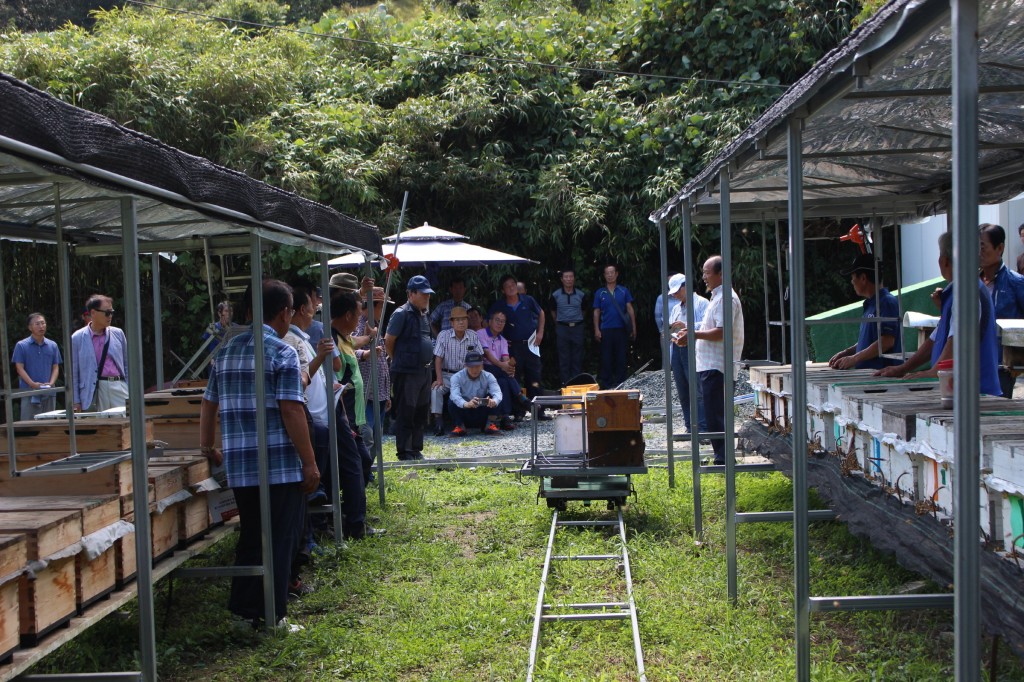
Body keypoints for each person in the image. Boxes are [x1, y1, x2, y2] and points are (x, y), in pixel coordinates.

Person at [199, 279, 319, 630]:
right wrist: (310, 463)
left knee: (252, 536)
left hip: (240, 466)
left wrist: (206, 447)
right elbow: (292, 411)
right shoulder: (281, 352)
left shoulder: (225, 351)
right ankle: (272, 616)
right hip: (279, 467)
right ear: (284, 313)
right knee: (280, 541)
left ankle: (243, 612)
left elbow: (208, 404)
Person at [877, 232, 1002, 396]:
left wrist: (933, 372)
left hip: (976, 394)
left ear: (944, 261)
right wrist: (904, 368)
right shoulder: (958, 290)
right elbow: (936, 337)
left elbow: (957, 340)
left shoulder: (968, 291)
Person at [678, 256, 744, 465]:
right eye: (704, 272)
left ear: (721, 274)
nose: (704, 277)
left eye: (707, 272)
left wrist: (693, 335)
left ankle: (724, 458)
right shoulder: (717, 297)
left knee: (716, 415)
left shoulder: (726, 298)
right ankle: (721, 456)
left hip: (719, 366)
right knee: (713, 413)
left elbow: (721, 332)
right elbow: (710, 327)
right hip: (710, 365)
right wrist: (693, 332)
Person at [331, 291, 383, 539]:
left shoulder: (343, 338)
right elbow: (337, 380)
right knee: (358, 464)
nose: (362, 315)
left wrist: (370, 341)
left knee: (361, 464)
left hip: (354, 417)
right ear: (349, 314)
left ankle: (352, 513)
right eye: (360, 310)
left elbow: (355, 344)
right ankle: (354, 522)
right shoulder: (331, 340)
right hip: (344, 417)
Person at [385, 275, 435, 461]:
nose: (427, 298)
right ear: (411, 293)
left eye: (428, 295)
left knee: (421, 411)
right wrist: (397, 360)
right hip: (406, 371)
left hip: (424, 370)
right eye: (423, 294)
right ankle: (404, 451)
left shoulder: (424, 314)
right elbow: (389, 341)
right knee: (406, 410)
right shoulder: (401, 313)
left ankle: (416, 448)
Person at [488, 274, 549, 419]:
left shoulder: (527, 300)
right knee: (514, 377)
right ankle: (518, 412)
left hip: (531, 344)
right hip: (512, 347)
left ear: (516, 286)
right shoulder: (500, 305)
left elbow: (541, 313)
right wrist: (499, 339)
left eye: (512, 285)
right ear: (503, 290)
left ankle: (539, 411)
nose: (510, 288)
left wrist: (540, 332)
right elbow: (489, 322)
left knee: (534, 377)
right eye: (507, 286)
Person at [828, 254, 903, 370]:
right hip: (870, 376)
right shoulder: (871, 304)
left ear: (863, 278)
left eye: (853, 278)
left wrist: (854, 358)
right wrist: (848, 352)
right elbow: (870, 343)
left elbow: (887, 341)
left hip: (882, 378)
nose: (852, 282)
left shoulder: (887, 302)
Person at [979, 223, 1024, 397]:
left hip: (1001, 367)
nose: (978, 252)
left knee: (993, 415)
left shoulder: (1016, 283)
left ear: (1000, 248)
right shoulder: (968, 283)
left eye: (982, 247)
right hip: (969, 362)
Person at [666, 274, 709, 434]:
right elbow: (671, 326)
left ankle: (703, 428)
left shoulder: (702, 303)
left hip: (694, 349)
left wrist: (687, 325)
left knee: (697, 390)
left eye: (678, 290)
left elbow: (708, 326)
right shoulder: (676, 308)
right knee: (683, 390)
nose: (675, 295)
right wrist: (670, 332)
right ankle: (690, 426)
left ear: (686, 286)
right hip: (677, 349)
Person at [71, 294, 129, 412]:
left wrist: (130, 389)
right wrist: (76, 401)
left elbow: (127, 365)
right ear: (93, 313)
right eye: (107, 313)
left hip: (118, 385)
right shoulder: (77, 338)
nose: (110, 316)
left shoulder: (118, 333)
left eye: (112, 312)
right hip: (94, 390)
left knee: (127, 425)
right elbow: (74, 372)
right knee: (100, 427)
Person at [430, 306, 482, 436]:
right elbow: (438, 359)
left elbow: (480, 358)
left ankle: (478, 422)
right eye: (457, 320)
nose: (461, 322)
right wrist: (439, 378)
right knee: (436, 390)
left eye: (463, 319)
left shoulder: (473, 335)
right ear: (451, 322)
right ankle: (438, 422)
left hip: (466, 374)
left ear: (467, 321)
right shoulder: (443, 335)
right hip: (447, 374)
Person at [356, 287, 391, 453]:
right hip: (366, 392)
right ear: (372, 306)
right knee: (366, 434)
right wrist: (365, 353)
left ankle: (369, 470)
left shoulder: (376, 324)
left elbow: (382, 360)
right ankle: (364, 471)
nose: (383, 310)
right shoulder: (358, 324)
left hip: (380, 391)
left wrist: (386, 392)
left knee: (377, 434)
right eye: (381, 306)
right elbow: (348, 350)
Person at [593, 263, 637, 389]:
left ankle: (621, 383)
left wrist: (634, 327)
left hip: (621, 329)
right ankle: (606, 384)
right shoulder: (600, 292)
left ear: (617, 274)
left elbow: (630, 309)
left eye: (612, 272)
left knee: (621, 356)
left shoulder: (623, 290)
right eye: (607, 273)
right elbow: (596, 311)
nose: (610, 275)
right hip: (606, 329)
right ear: (604, 275)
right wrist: (596, 329)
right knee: (606, 357)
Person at [480, 310, 525, 430]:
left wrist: (509, 367)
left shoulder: (503, 340)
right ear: (490, 321)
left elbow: (505, 358)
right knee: (502, 373)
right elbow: (487, 355)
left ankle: (505, 417)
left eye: (503, 321)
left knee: (503, 382)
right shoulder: (481, 333)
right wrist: (504, 366)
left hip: (498, 371)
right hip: (483, 369)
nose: (500, 323)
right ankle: (520, 395)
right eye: (497, 320)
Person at [11, 313, 62, 419]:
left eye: (43, 323)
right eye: (37, 324)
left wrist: (51, 383)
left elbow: (55, 367)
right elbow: (19, 368)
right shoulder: (21, 345)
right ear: (30, 327)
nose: (41, 326)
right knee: (29, 425)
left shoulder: (53, 345)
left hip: (49, 391)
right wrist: (32, 384)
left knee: (49, 425)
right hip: (29, 391)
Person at [548, 268, 587, 386]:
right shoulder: (555, 295)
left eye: (571, 277)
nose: (569, 279)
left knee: (577, 357)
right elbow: (553, 311)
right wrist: (560, 323)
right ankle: (565, 384)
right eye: (566, 277)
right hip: (562, 328)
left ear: (574, 279)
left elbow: (584, 310)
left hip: (577, 327)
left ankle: (577, 384)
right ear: (562, 279)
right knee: (564, 358)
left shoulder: (581, 294)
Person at [448, 352, 502, 435]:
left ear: (482, 365)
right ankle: (460, 426)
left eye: (477, 366)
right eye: (471, 367)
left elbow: (497, 392)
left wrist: (494, 401)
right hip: (464, 410)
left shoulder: (489, 376)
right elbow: (455, 395)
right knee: (452, 400)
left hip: (481, 410)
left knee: (495, 399)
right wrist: (466, 404)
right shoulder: (456, 377)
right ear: (465, 366)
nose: (475, 369)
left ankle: (490, 424)